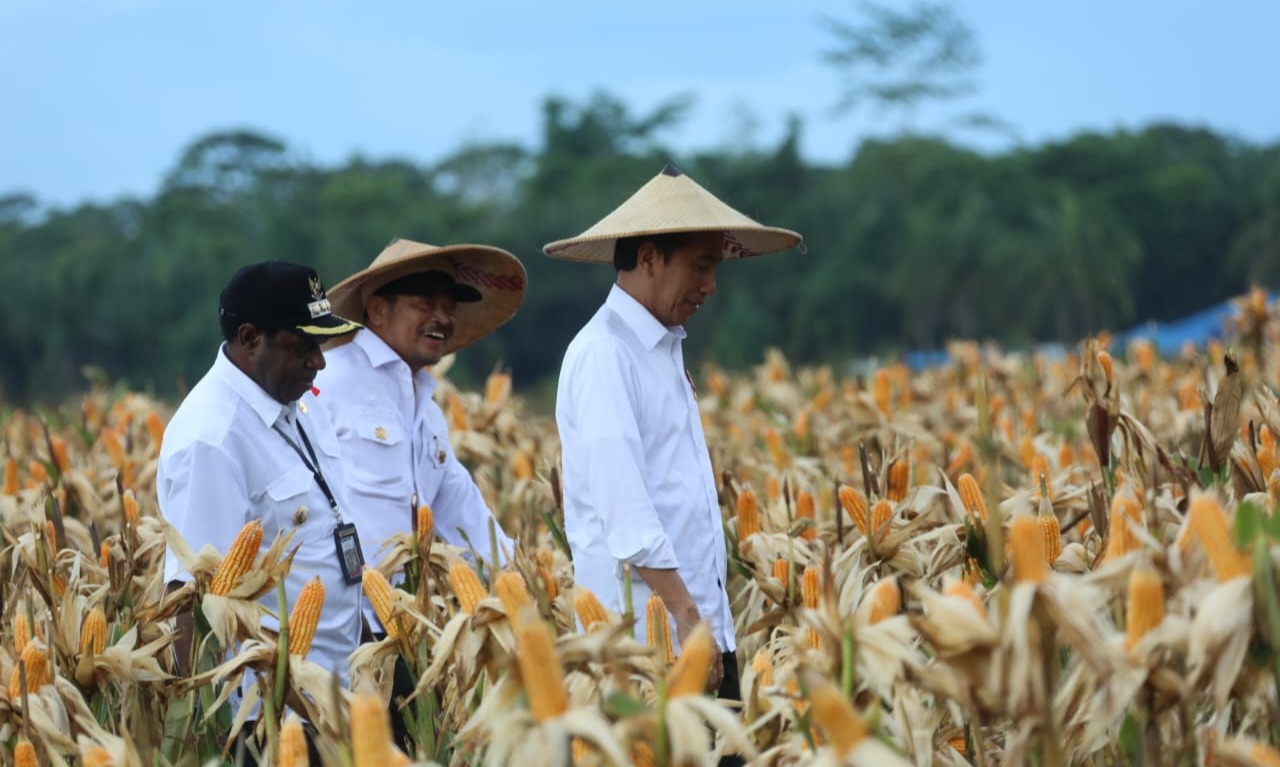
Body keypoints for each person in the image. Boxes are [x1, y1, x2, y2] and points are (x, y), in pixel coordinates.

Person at [546, 165, 802, 715]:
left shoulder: (662, 347)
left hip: (699, 632)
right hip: (649, 648)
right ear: (649, 260)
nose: (711, 285)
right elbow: (627, 511)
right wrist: (686, 616)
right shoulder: (604, 355)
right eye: (702, 266)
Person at [159, 261, 365, 764]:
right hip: (270, 722)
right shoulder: (213, 439)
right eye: (304, 346)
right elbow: (195, 596)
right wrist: (196, 735)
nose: (319, 362)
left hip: (335, 699)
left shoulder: (294, 405)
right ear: (251, 339)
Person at [318, 238, 527, 580]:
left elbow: (461, 508)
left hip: (408, 616)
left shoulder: (426, 411)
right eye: (425, 304)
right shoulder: (327, 382)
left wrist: (524, 579)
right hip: (344, 617)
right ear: (378, 310)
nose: (442, 318)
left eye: (449, 308)